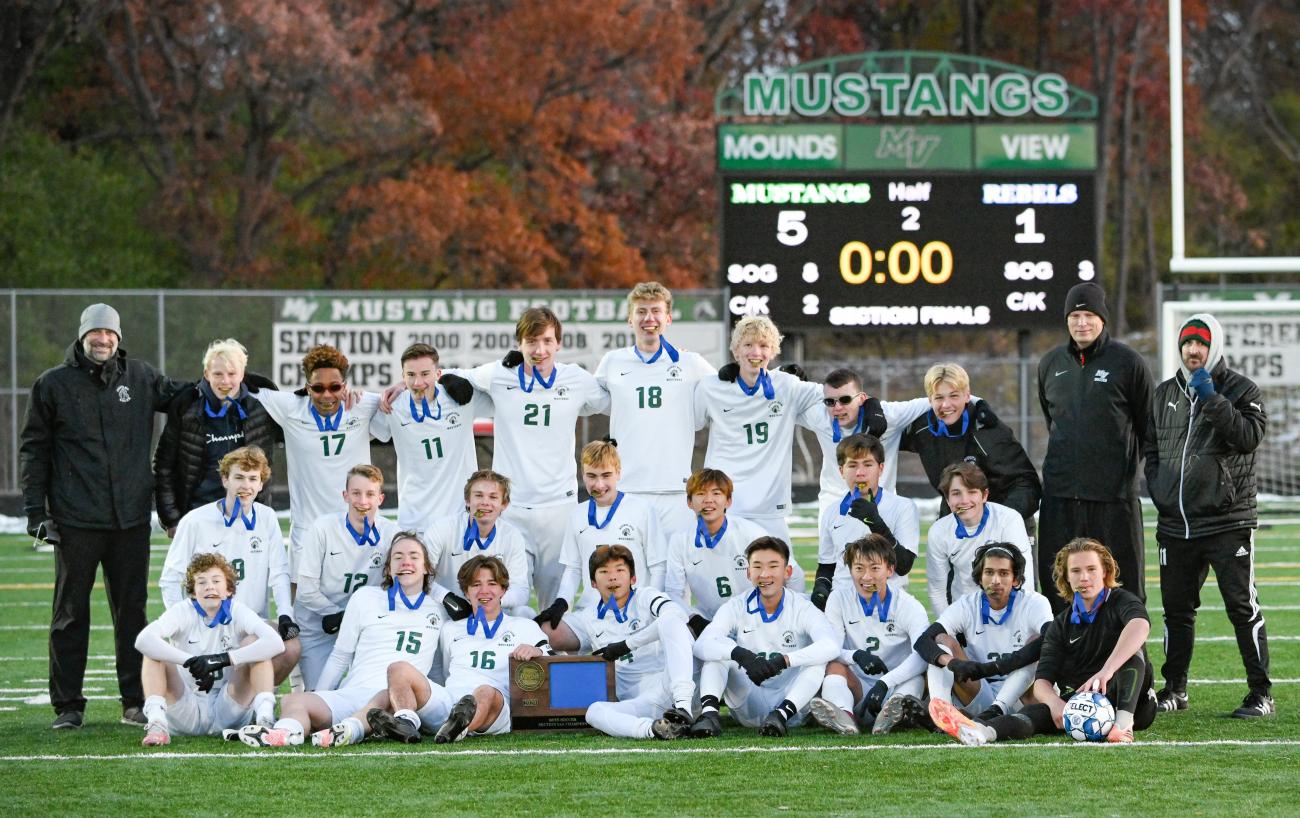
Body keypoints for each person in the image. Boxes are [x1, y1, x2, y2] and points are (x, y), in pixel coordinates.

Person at [20, 302, 188, 729]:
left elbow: (188, 396)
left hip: (130, 518)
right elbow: (34, 450)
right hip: (75, 520)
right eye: (96, 333)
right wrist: (33, 510)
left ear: (118, 337)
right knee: (70, 612)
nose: (103, 339)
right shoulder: (52, 385)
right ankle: (68, 706)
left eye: (110, 333)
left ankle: (134, 700)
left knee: (131, 612)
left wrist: (240, 383)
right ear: (82, 336)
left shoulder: (142, 377)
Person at [1144, 313, 1273, 718]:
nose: (1193, 350)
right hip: (1175, 525)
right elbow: (1151, 451)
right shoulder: (1164, 392)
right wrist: (1161, 491)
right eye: (1187, 343)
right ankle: (1175, 690)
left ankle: (1260, 695)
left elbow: (1249, 438)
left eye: (1200, 343)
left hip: (1226, 522)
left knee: (1241, 607)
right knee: (1177, 612)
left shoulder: (1240, 389)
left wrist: (1212, 398)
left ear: (1213, 346)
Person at [930, 538, 1157, 745]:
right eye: (1076, 571)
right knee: (1036, 712)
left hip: (1134, 705)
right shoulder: (1061, 624)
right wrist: (1054, 702)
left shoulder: (1120, 600)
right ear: (1067, 577)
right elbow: (1042, 681)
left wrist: (1106, 671)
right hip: (1086, 707)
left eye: (1091, 569)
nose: (1084, 577)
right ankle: (982, 731)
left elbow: (1140, 626)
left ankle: (1122, 725)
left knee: (1134, 650)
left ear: (1105, 571)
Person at [236, 533, 446, 747]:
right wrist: (321, 693)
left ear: (427, 567)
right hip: (354, 691)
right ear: (389, 568)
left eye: (414, 556)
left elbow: (439, 665)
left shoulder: (440, 609)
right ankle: (284, 733)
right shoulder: (365, 597)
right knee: (295, 700)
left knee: (386, 693)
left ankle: (350, 729)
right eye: (398, 557)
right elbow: (340, 656)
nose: (406, 562)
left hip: (398, 698)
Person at [468, 307, 609, 608]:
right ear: (519, 344)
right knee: (507, 600)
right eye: (531, 341)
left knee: (555, 605)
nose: (539, 349)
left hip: (558, 507)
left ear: (559, 343)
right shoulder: (498, 375)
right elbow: (450, 380)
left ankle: (552, 655)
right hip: (511, 508)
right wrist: (404, 384)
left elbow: (614, 399)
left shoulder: (576, 379)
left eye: (546, 341)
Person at [1037, 282, 1153, 610]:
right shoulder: (1050, 364)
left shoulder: (1128, 363)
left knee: (1125, 586)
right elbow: (1055, 424)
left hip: (1113, 497)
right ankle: (1066, 658)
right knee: (1058, 587)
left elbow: (1148, 429)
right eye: (1075, 315)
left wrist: (1120, 471)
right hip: (1061, 497)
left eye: (1089, 314)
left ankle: (1132, 659)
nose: (1082, 322)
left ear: (1102, 319)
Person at [692, 316, 820, 584]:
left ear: (773, 351)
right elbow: (687, 424)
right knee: (727, 578)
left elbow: (831, 396)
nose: (756, 352)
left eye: (763, 345)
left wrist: (869, 404)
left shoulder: (787, 386)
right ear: (735, 349)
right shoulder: (711, 387)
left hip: (768, 506)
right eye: (748, 345)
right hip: (727, 505)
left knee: (791, 577)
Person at [159, 446, 300, 684]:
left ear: (261, 484)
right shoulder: (195, 521)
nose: (246, 485)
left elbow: (279, 572)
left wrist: (285, 613)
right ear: (225, 480)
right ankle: (243, 698)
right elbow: (170, 579)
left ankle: (252, 699)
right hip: (207, 624)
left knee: (291, 648)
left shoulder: (266, 518)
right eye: (239, 478)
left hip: (251, 623)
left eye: (252, 478)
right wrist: (182, 623)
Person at [595, 282, 717, 533]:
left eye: (656, 311)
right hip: (627, 486)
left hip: (675, 488)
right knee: (628, 569)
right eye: (641, 311)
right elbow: (590, 399)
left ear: (668, 318)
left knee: (675, 570)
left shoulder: (690, 362)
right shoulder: (612, 361)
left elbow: (729, 393)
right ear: (630, 319)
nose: (648, 318)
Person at [252, 345, 382, 578]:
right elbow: (241, 383)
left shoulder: (363, 405)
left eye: (335, 387)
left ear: (345, 385)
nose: (327, 395)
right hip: (307, 530)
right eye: (318, 388)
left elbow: (407, 391)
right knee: (301, 604)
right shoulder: (290, 406)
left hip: (358, 527)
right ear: (307, 387)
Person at [543, 545, 697, 740]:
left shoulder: (645, 596)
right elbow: (552, 635)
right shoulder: (588, 617)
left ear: (633, 578)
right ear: (593, 583)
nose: (612, 577)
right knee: (594, 712)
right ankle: (656, 730)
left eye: (619, 570)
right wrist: (534, 641)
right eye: (604, 572)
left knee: (671, 621)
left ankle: (683, 709)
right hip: (640, 702)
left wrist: (626, 645)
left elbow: (677, 615)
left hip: (670, 684)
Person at [690, 537, 838, 737]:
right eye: (757, 566)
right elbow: (702, 645)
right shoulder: (735, 606)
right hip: (747, 703)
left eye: (773, 566)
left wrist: (784, 661)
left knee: (818, 661)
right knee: (719, 651)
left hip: (791, 705)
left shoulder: (803, 607)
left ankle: (780, 716)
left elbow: (831, 646)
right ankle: (709, 716)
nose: (765, 574)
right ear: (748, 572)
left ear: (787, 572)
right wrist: (741, 655)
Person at [135, 553, 284, 746]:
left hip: (229, 704)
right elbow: (143, 640)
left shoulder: (238, 610)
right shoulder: (182, 611)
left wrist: (223, 659)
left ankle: (265, 720)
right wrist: (191, 662)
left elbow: (275, 643)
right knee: (154, 650)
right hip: (185, 705)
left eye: (216, 581)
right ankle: (157, 723)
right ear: (192, 591)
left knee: (256, 644)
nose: (210, 587)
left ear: (229, 589)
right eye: (201, 582)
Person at [153, 338, 279, 538]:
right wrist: (171, 518)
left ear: (242, 375)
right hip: (198, 517)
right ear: (206, 374)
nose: (225, 381)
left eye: (232, 374)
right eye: (218, 374)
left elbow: (301, 409)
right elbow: (163, 466)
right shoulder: (187, 409)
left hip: (248, 518)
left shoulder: (261, 408)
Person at [807, 534, 930, 737]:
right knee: (834, 666)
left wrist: (885, 682)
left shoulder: (909, 606)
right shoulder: (838, 598)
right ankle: (845, 716)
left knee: (918, 675)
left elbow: (922, 655)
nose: (866, 577)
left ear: (890, 570)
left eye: (874, 568)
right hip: (858, 687)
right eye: (859, 568)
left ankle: (891, 713)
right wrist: (855, 656)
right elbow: (831, 647)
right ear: (850, 570)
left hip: (895, 684)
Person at [914, 543, 1053, 721]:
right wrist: (952, 663)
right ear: (980, 578)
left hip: (1022, 697)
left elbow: (1050, 639)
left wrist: (998, 667)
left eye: (1003, 573)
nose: (995, 580)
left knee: (1038, 639)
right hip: (980, 690)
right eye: (989, 572)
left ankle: (996, 709)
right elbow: (923, 641)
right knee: (942, 640)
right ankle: (942, 714)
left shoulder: (1034, 602)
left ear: (1016, 579)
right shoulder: (967, 604)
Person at [292, 465, 400, 690]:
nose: (362, 501)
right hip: (320, 625)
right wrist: (335, 614)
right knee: (322, 697)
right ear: (345, 495)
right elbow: (306, 590)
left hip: (363, 628)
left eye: (370, 494)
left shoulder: (391, 533)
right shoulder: (322, 528)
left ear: (380, 498)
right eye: (356, 493)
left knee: (367, 694)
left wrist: (358, 619)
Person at [426, 556, 552, 743]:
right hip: (450, 702)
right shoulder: (450, 629)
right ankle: (428, 722)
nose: (484, 591)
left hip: (494, 710)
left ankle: (457, 729)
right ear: (466, 593)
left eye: (492, 584)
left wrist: (538, 652)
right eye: (476, 585)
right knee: (400, 670)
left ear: (503, 590)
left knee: (485, 691)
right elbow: (443, 673)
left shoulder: (524, 626)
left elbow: (555, 662)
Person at [899, 362, 1040, 526]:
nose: (946, 405)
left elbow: (1027, 484)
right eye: (939, 397)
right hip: (955, 518)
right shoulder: (921, 428)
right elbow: (882, 433)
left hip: (1002, 520)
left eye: (953, 396)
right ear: (929, 399)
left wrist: (997, 521)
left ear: (967, 395)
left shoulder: (988, 429)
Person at [541, 441, 666, 623]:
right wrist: (562, 602)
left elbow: (658, 567)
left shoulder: (642, 510)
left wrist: (649, 608)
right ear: (583, 476)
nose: (599, 485)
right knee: (548, 631)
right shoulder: (577, 514)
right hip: (590, 613)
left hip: (634, 613)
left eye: (606, 475)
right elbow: (573, 568)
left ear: (618, 473)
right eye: (591, 476)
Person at [369, 343, 485, 534]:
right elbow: (358, 432)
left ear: (438, 374)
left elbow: (501, 390)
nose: (417, 383)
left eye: (425, 374)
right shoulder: (392, 406)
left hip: (460, 520)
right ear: (403, 377)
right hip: (415, 521)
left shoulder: (461, 398)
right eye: (411, 375)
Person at [663, 468, 782, 638]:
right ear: (689, 502)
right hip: (708, 621)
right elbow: (673, 592)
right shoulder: (680, 539)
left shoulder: (750, 533)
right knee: (671, 625)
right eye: (701, 494)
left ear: (728, 501)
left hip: (753, 618)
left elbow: (790, 572)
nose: (708, 500)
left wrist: (780, 614)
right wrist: (694, 619)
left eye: (716, 493)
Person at [812, 433, 919, 610]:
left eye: (868, 464)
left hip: (888, 605)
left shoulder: (903, 507)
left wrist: (875, 522)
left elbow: (904, 566)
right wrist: (820, 588)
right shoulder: (831, 511)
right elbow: (826, 567)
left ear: (881, 468)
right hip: (843, 607)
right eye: (852, 465)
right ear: (841, 471)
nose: (860, 473)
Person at [926, 462, 1033, 616]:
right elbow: (937, 590)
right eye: (956, 493)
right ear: (948, 500)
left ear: (984, 495)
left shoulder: (1009, 520)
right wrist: (948, 630)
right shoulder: (939, 531)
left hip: (1008, 611)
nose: (964, 500)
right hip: (965, 615)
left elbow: (1025, 580)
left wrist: (1018, 620)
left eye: (971, 492)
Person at [422, 470, 525, 617]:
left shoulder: (512, 536)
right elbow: (421, 576)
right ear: (467, 500)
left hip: (493, 612)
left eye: (493, 497)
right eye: (478, 495)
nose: (485, 502)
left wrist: (490, 602)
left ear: (504, 504)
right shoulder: (441, 529)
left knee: (525, 612)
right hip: (447, 611)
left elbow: (521, 590)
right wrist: (447, 598)